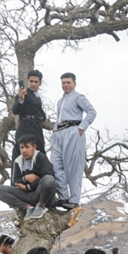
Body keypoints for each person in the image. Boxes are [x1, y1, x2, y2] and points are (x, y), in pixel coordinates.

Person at [50, 73, 96, 209]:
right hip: (59, 134)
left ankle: (74, 199)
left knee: (73, 167)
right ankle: (63, 196)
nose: (65, 85)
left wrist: (81, 128)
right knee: (54, 166)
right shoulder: (60, 101)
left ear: (74, 84)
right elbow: (59, 118)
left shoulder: (78, 97)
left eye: (68, 82)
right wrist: (55, 130)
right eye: (63, 83)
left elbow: (92, 112)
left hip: (73, 132)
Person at [0, 134, 57, 220]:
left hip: (41, 195)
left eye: (27, 147)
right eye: (22, 147)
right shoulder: (18, 161)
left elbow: (47, 177)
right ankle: (27, 207)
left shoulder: (41, 157)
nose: (24, 150)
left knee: (49, 180)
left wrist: (27, 187)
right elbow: (15, 182)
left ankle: (41, 206)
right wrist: (25, 178)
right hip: (25, 196)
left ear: (34, 147)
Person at [11, 69, 47, 162]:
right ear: (27, 81)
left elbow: (41, 115)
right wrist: (21, 100)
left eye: (36, 82)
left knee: (39, 155)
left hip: (36, 128)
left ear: (40, 83)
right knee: (23, 154)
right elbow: (15, 110)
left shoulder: (37, 97)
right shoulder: (24, 94)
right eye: (31, 81)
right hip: (25, 128)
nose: (33, 84)